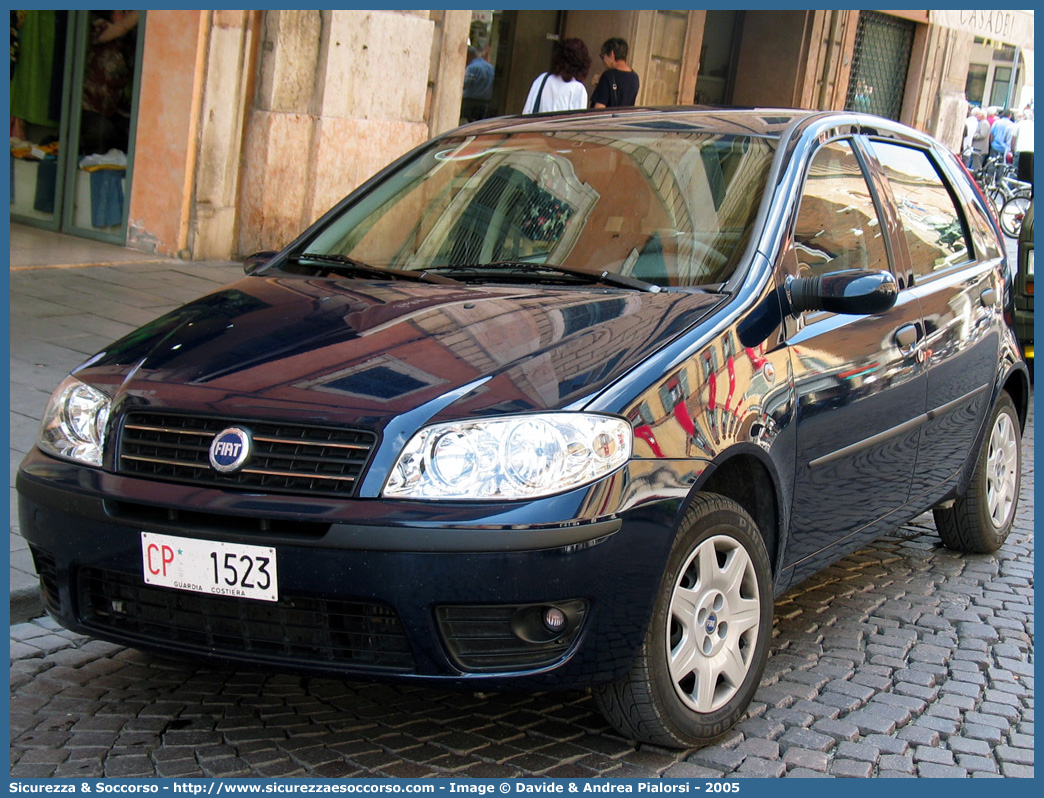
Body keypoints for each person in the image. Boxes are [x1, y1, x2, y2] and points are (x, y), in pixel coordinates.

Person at [522, 37, 590, 114]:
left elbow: (527, 111)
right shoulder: (578, 89)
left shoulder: (542, 79)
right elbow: (577, 123)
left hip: (536, 125)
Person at [590, 37, 639, 109]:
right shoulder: (635, 77)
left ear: (612, 54)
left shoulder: (608, 76)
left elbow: (599, 108)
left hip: (609, 119)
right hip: (624, 119)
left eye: (603, 56)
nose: (603, 61)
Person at [461, 45, 494, 122]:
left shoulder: (472, 67)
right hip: (485, 102)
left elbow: (465, 83)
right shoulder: (490, 67)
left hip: (470, 101)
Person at [1011, 109, 1034, 191]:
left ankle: (1012, 190)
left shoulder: (1020, 124)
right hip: (1032, 151)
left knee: (1015, 170)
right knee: (1029, 172)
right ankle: (1026, 190)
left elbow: (1013, 138)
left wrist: (1012, 150)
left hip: (1020, 150)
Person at [967, 107, 990, 172]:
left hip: (980, 148)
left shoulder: (985, 123)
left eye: (978, 115)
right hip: (976, 148)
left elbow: (982, 134)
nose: (976, 116)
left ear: (982, 115)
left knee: (977, 166)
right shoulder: (980, 123)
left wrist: (973, 135)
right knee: (972, 164)